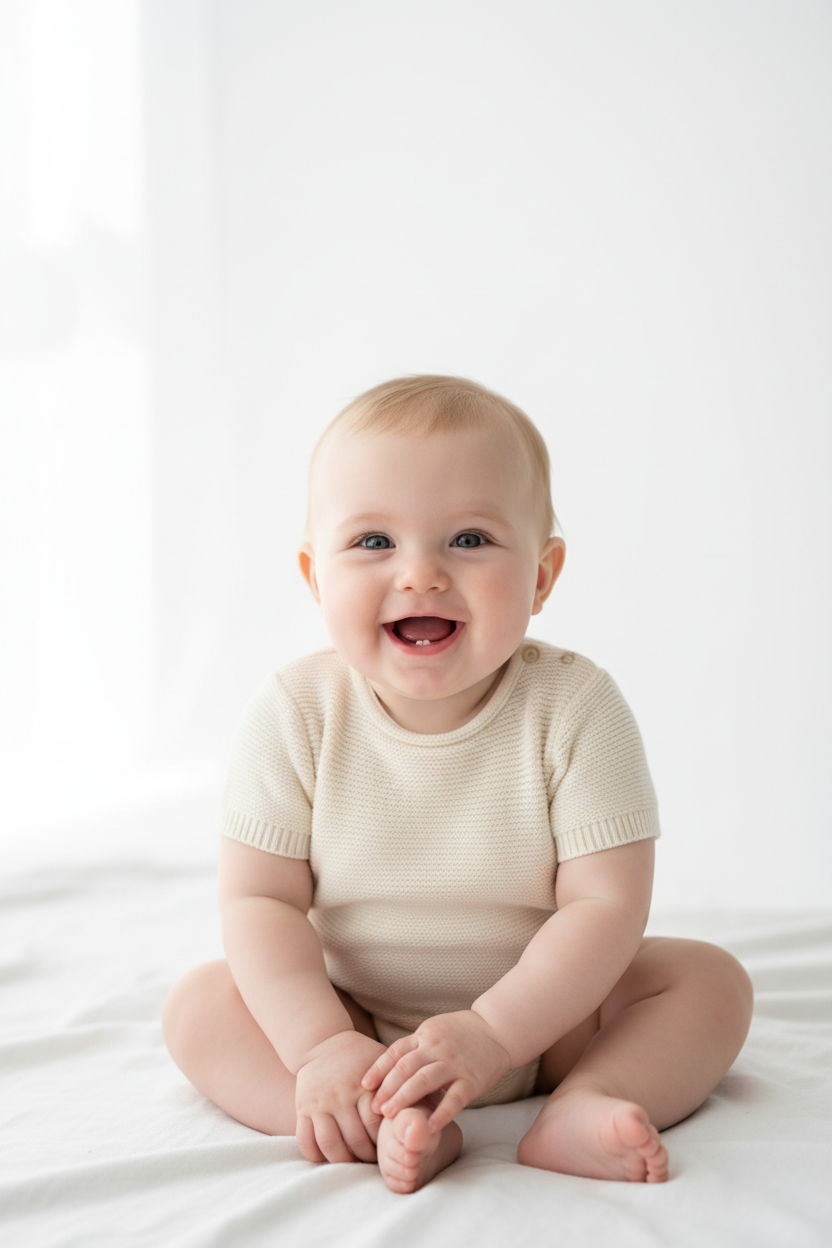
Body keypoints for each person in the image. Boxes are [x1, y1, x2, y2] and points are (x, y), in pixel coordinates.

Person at [163, 375, 753, 1194]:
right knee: (200, 1007)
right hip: (354, 1016)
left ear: (542, 575)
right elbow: (260, 901)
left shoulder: (576, 707)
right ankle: (375, 1118)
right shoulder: (296, 712)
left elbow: (606, 907)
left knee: (707, 983)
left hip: (552, 1023)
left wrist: (494, 1032)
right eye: (374, 541)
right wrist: (320, 1046)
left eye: (469, 539)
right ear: (315, 576)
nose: (420, 574)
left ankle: (590, 1099)